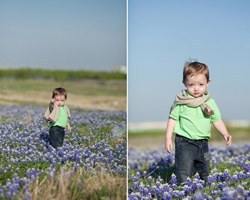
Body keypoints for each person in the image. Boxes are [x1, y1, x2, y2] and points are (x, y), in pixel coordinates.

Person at [165, 61, 232, 185]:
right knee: (183, 171)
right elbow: (172, 119)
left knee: (204, 169)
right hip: (184, 142)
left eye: (201, 84)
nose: (196, 88)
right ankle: (183, 190)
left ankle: (203, 189)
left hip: (203, 143)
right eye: (191, 85)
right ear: (184, 83)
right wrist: (168, 137)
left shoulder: (210, 103)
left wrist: (225, 133)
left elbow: (216, 120)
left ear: (208, 83)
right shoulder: (182, 102)